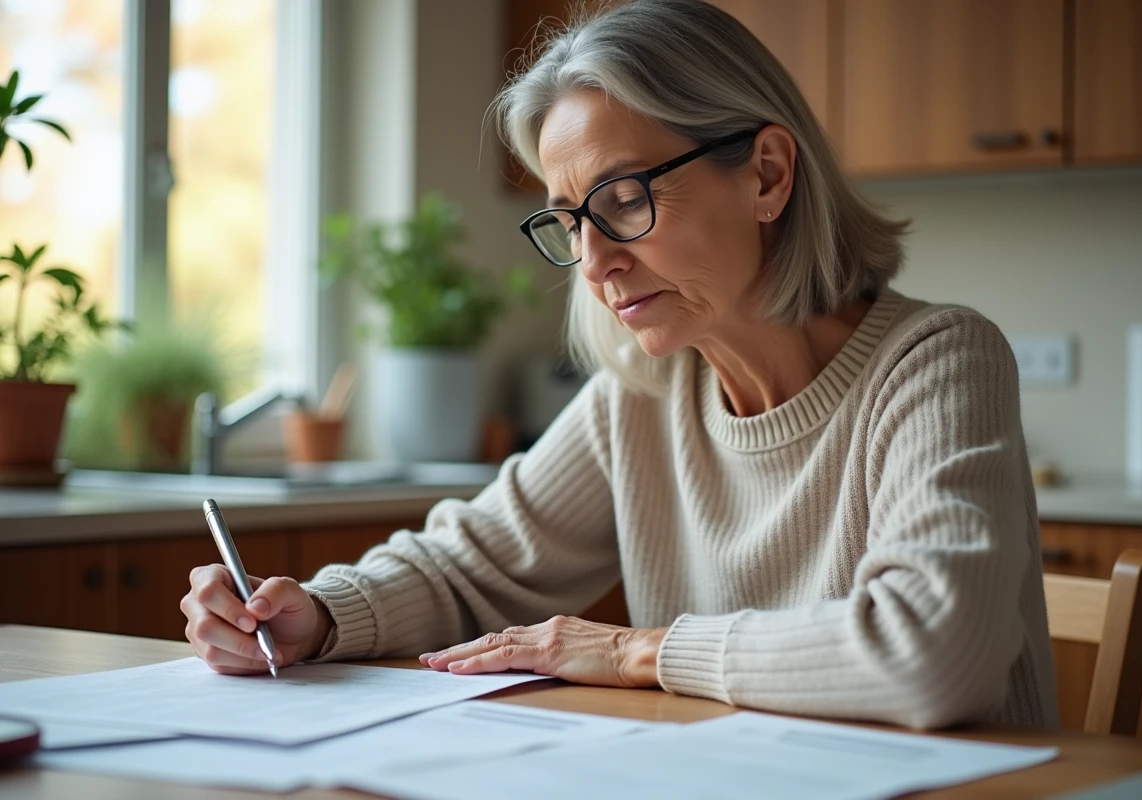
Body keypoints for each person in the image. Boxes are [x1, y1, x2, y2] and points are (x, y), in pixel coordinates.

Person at [182, 0, 1058, 730]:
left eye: (624, 198)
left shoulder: (938, 361)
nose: (594, 262)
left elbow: (934, 654)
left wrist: (634, 649)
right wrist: (320, 615)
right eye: (569, 220)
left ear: (766, 174)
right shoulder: (644, 396)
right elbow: (472, 566)